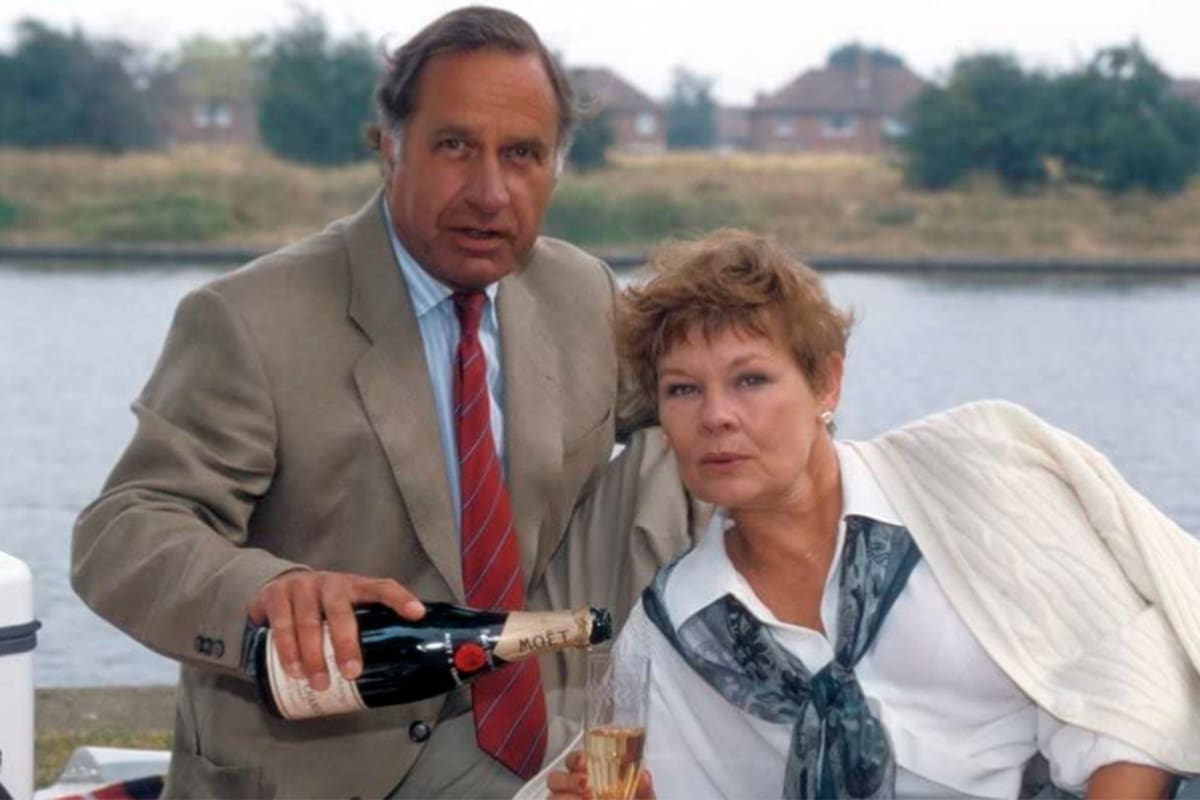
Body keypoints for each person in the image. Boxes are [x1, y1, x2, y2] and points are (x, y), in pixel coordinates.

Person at [70, 7, 699, 799]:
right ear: (389, 144)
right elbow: (122, 533)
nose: (489, 192)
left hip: (537, 721)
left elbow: (712, 435)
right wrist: (268, 593)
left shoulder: (580, 292)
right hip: (323, 760)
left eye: (522, 155)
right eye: (455, 146)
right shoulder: (250, 319)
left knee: (706, 433)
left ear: (556, 169)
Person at [534, 229, 1200, 799]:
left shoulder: (971, 479)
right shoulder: (675, 631)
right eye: (683, 389)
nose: (716, 416)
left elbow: (1132, 700)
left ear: (827, 381)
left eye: (751, 379)